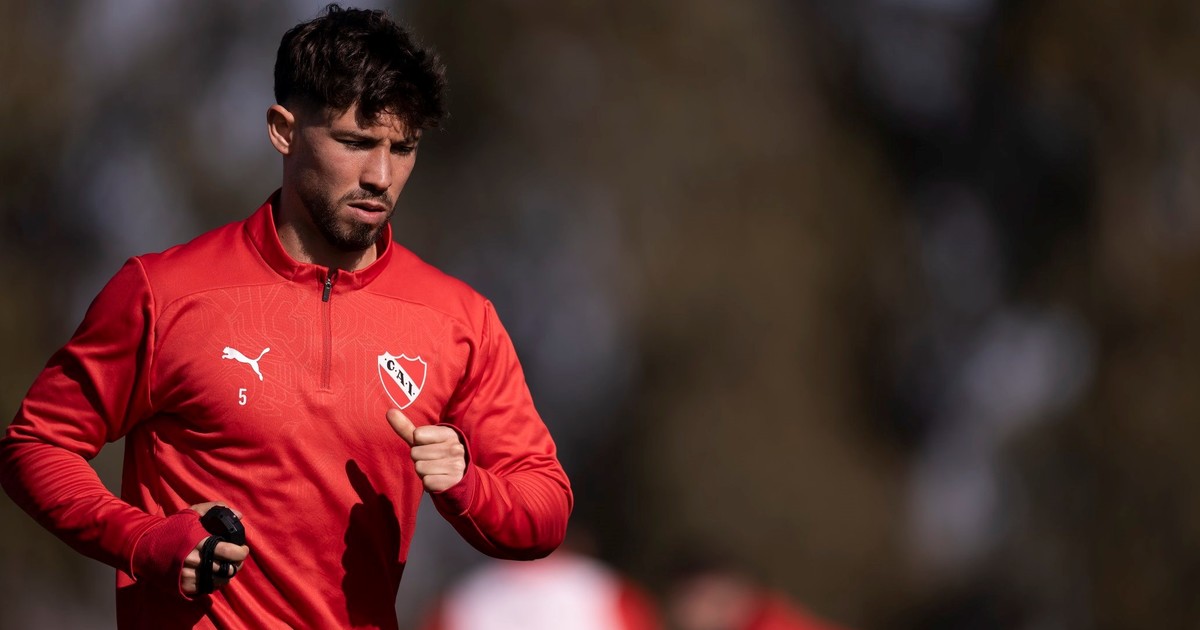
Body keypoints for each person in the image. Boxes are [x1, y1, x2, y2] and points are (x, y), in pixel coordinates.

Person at [0, 5, 571, 629]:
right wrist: (142, 540)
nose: (380, 176)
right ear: (283, 131)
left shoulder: (458, 321)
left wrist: (469, 485)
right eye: (355, 143)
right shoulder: (163, 293)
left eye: (403, 148)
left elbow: (544, 505)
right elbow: (35, 444)